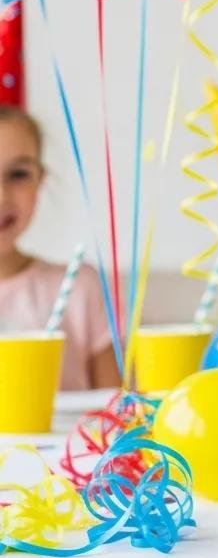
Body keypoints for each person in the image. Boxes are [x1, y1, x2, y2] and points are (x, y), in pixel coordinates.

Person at [0, 106, 118, 389]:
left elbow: (118, 410)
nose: (1, 196)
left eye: (18, 174)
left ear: (40, 179)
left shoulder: (80, 286)